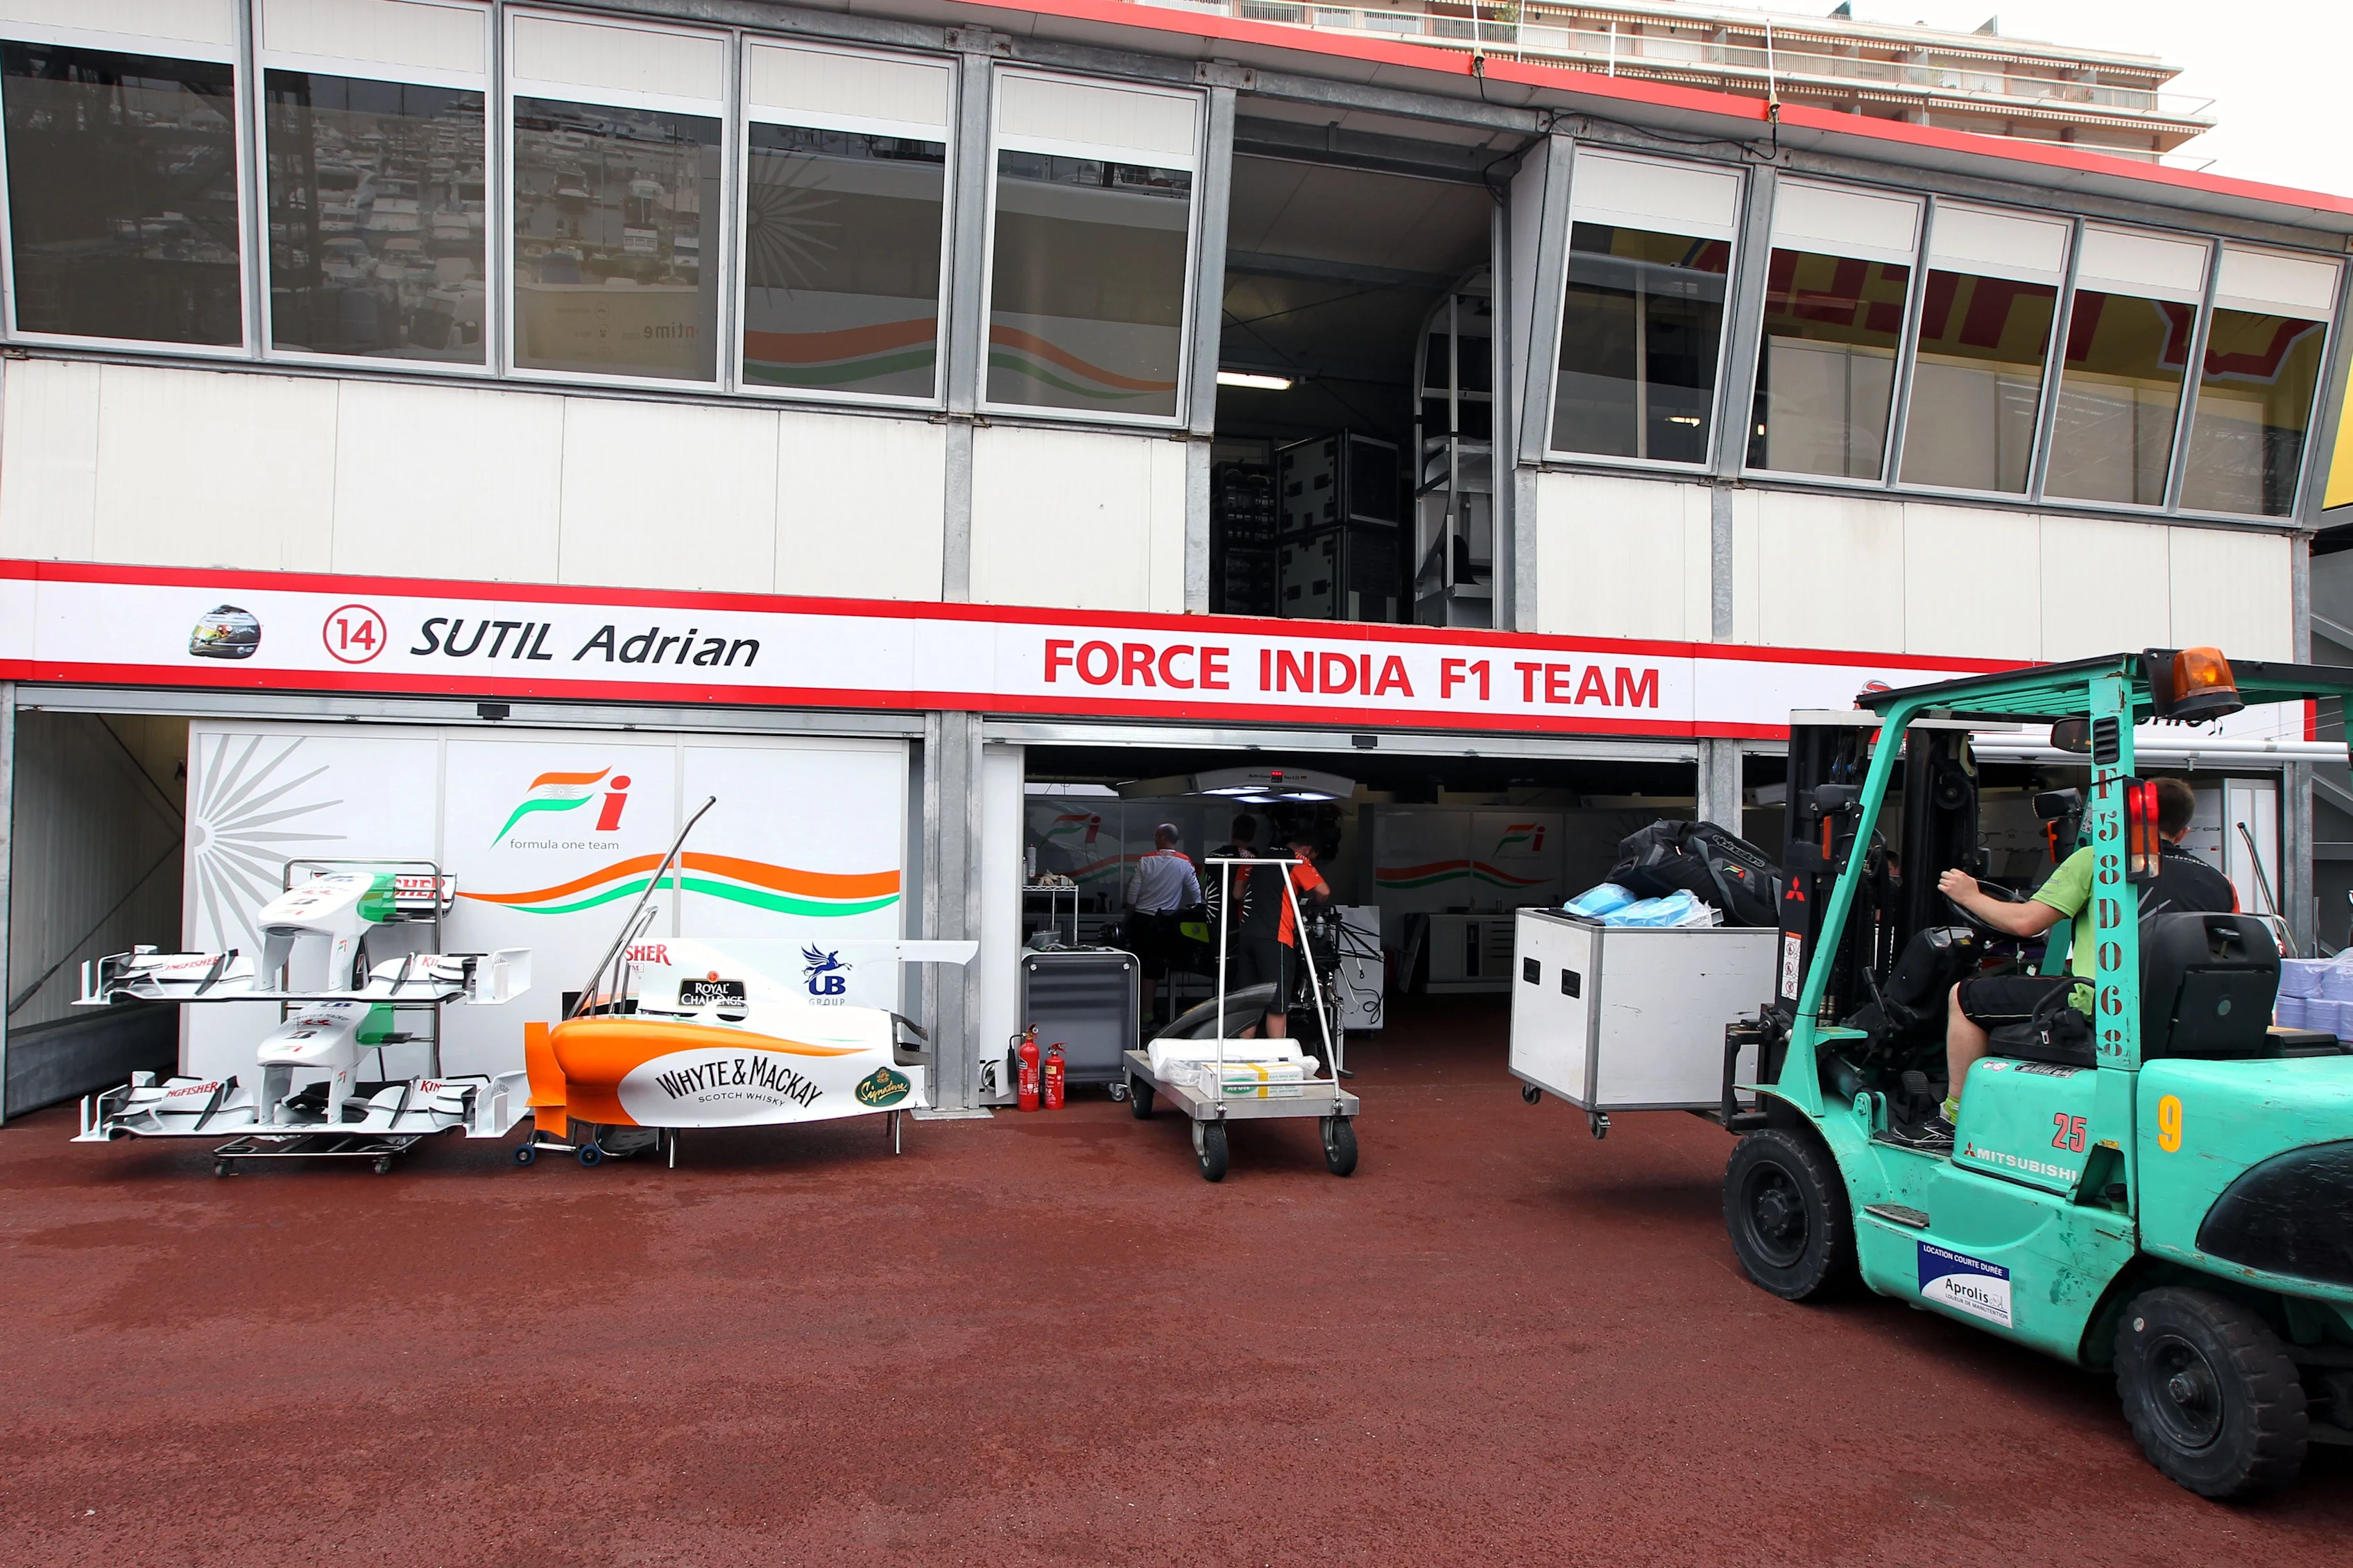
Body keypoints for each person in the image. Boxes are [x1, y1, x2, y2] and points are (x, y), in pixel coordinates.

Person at [1908, 776, 2234, 1149]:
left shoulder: (2099, 860)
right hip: (2182, 1014)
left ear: (2124, 818)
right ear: (2185, 831)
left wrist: (1969, 894)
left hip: (2101, 1003)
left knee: (1964, 997)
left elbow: (2024, 922)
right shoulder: (2219, 880)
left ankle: (1952, 1119)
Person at [1125, 823, 1200, 1024]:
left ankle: (1138, 1011)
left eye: (1156, 835)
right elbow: (1196, 894)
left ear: (1162, 837)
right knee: (1155, 968)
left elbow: (1134, 891)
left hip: (1142, 919)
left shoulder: (1146, 860)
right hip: (1166, 922)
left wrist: (1128, 915)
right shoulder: (1184, 863)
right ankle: (1148, 1012)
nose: (1154, 839)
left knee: (1137, 965)